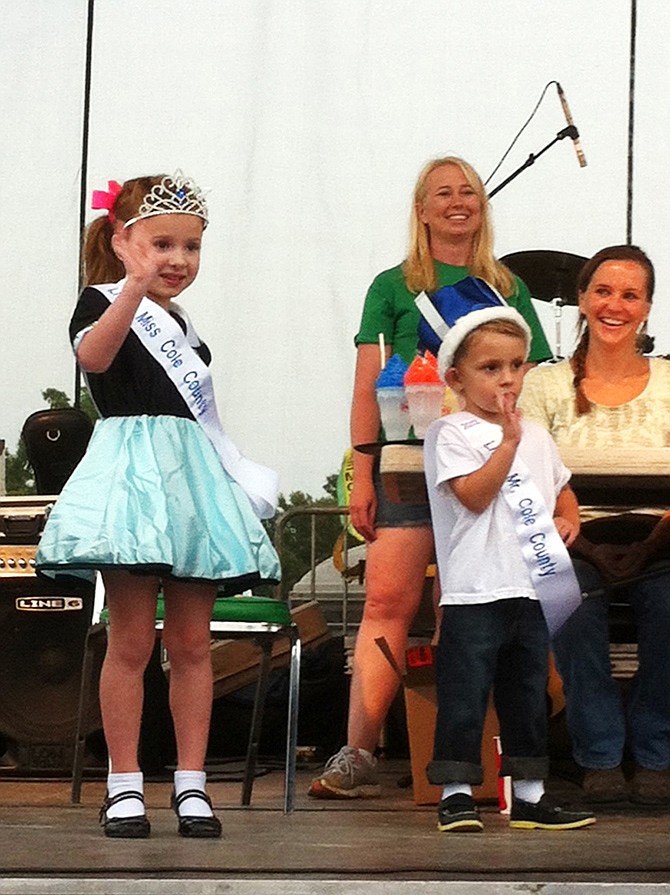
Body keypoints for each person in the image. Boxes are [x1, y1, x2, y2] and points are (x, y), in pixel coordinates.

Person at [36, 172, 280, 838]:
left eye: (191, 247)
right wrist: (133, 288)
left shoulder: (186, 327)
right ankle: (123, 783)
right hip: (131, 477)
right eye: (162, 244)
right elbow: (94, 355)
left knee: (194, 642)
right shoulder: (105, 299)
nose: (178, 260)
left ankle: (193, 784)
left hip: (192, 479)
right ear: (124, 242)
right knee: (131, 639)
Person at [309, 156, 551, 799]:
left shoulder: (508, 285)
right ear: (421, 209)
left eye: (468, 191)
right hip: (409, 467)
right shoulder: (392, 286)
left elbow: (536, 384)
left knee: (466, 615)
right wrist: (361, 474)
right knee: (388, 604)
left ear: (483, 205)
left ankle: (457, 767)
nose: (457, 201)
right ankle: (357, 751)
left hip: (492, 468)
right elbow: (367, 387)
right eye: (442, 192)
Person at [423, 301, 594, 832]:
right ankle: (455, 792)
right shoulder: (449, 433)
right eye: (490, 368)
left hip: (530, 586)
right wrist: (508, 444)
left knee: (527, 692)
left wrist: (569, 520)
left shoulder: (538, 437)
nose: (507, 379)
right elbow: (473, 496)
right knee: (464, 691)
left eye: (517, 365)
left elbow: (563, 490)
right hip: (475, 589)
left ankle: (531, 794)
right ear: (456, 377)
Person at [520, 244, 670, 806]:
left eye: (630, 295)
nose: (615, 305)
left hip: (661, 538)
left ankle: (657, 751)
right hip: (571, 539)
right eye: (603, 291)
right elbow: (532, 477)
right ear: (581, 300)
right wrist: (584, 541)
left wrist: (653, 542)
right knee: (568, 600)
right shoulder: (544, 385)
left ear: (648, 308)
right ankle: (600, 753)